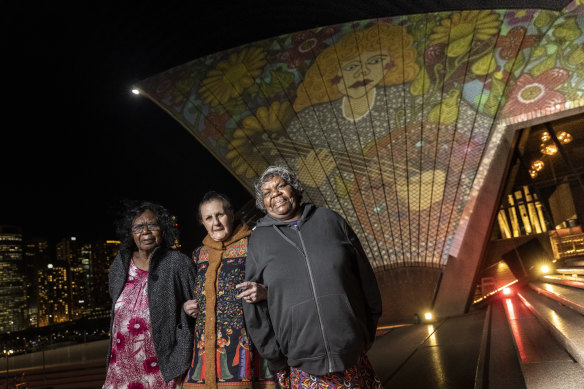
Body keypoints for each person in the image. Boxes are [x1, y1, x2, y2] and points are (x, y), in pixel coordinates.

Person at [243, 166, 383, 388]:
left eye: (281, 186)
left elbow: (365, 277)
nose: (275, 194)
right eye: (267, 193)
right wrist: (275, 357)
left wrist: (365, 331)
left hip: (352, 353)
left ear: (296, 189)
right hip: (300, 363)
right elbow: (252, 306)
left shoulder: (331, 220)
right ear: (263, 203)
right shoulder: (259, 240)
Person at [182, 191, 276, 388]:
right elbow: (194, 295)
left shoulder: (254, 244)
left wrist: (265, 292)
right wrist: (188, 307)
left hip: (248, 347)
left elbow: (282, 285)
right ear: (203, 222)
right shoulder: (198, 255)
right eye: (209, 218)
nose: (215, 222)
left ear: (231, 214)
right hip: (204, 352)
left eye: (220, 215)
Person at [104, 201, 197, 388]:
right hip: (121, 367)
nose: (145, 231)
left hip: (164, 367)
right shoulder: (120, 264)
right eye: (138, 227)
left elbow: (196, 309)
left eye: (152, 225)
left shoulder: (178, 263)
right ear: (131, 233)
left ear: (162, 230)